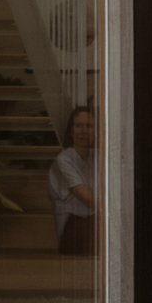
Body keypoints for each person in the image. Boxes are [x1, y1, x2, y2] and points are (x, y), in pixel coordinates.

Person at [48, 105, 98, 257]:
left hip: (95, 224)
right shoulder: (64, 159)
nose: (84, 131)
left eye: (89, 126)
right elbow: (86, 197)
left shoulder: (98, 157)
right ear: (71, 131)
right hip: (73, 229)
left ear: (96, 131)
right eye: (78, 126)